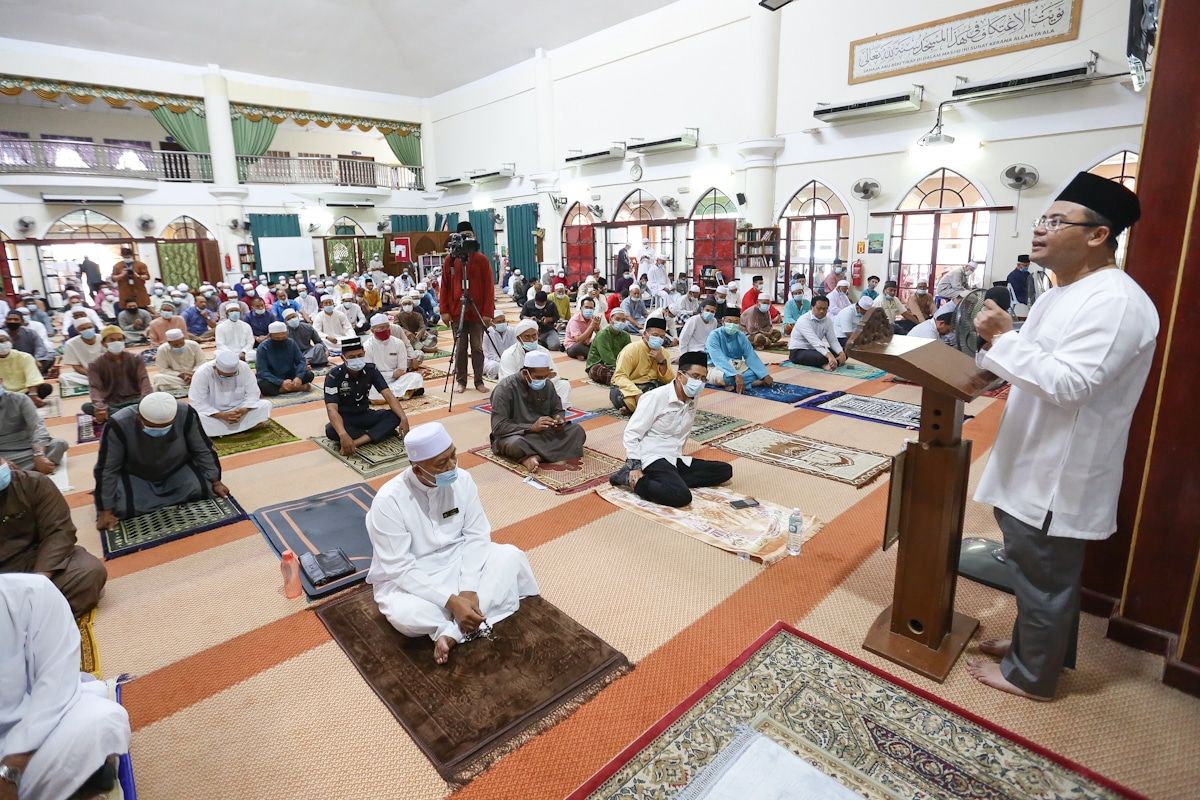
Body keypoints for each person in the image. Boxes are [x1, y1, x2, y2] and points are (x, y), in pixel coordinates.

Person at [967, 172, 1157, 701]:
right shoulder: (1061, 294)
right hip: (1032, 452)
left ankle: (1034, 676)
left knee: (1044, 574)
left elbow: (1071, 385)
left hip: (1059, 468)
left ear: (1098, 235)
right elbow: (1034, 366)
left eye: (1055, 221)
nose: (1040, 230)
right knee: (1034, 570)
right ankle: (1037, 649)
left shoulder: (1116, 301)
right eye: (1041, 220)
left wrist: (1005, 338)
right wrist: (998, 347)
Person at [364, 422, 539, 664]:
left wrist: (468, 589)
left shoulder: (463, 480)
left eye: (453, 455)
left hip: (459, 560)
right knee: (406, 614)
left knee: (511, 557)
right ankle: (467, 617)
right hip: (415, 575)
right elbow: (399, 568)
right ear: (417, 470)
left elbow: (477, 535)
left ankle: (453, 632)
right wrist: (451, 601)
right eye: (441, 463)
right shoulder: (388, 501)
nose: (452, 465)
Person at [0, 574, 131, 799]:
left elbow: (55, 689)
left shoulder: (33, 593)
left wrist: (10, 770)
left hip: (33, 738)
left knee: (103, 720)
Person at [609, 351, 733, 507]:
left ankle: (667, 480)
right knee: (680, 496)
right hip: (652, 456)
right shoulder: (656, 397)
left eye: (703, 378)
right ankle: (630, 478)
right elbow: (632, 432)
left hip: (674, 456)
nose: (699, 382)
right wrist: (635, 466)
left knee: (724, 470)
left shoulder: (692, 398)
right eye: (695, 376)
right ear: (680, 375)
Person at [93, 392, 226, 529]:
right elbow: (107, 467)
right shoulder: (118, 423)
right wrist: (105, 511)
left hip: (176, 470)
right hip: (136, 475)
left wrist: (216, 481)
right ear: (139, 418)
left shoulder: (185, 413)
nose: (159, 431)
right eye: (152, 426)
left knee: (204, 488)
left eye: (165, 427)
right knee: (122, 507)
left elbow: (202, 448)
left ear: (173, 420)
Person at [489, 350, 586, 472]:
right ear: (525, 373)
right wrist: (531, 427)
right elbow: (498, 427)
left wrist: (558, 420)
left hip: (544, 433)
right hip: (519, 435)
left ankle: (534, 457)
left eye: (545, 376)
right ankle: (542, 454)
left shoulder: (547, 384)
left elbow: (557, 410)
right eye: (539, 377)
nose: (543, 380)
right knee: (515, 444)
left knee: (577, 431)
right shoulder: (504, 389)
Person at [323, 337, 411, 456]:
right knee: (331, 430)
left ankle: (357, 442)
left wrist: (404, 418)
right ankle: (377, 433)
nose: (357, 359)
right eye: (351, 357)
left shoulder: (371, 369)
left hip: (365, 414)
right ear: (343, 358)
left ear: (364, 353)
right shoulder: (334, 376)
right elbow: (331, 409)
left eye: (359, 355)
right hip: (346, 418)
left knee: (395, 416)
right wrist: (343, 434)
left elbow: (388, 395)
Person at [440, 222, 496, 392]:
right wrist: (444, 310)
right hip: (457, 312)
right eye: (462, 235)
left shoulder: (482, 260)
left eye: (468, 234)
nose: (466, 238)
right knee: (461, 348)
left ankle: (479, 381)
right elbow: (444, 287)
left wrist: (488, 313)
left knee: (477, 348)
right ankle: (461, 381)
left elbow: (489, 287)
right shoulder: (450, 260)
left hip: (477, 312)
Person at [188, 350, 272, 437]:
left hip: (239, 410)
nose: (229, 378)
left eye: (232, 375)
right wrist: (221, 415)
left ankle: (220, 432)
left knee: (265, 404)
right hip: (214, 413)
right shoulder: (202, 372)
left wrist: (244, 409)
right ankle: (248, 426)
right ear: (215, 368)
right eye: (225, 375)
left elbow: (253, 393)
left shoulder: (243, 367)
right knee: (195, 417)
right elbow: (197, 401)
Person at [81, 327, 150, 422]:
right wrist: (99, 406)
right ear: (103, 343)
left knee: (157, 396)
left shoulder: (136, 359)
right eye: (112, 340)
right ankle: (133, 415)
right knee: (87, 407)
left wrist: (146, 399)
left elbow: (144, 379)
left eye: (120, 339)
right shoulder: (95, 364)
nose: (117, 342)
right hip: (111, 403)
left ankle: (121, 417)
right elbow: (94, 387)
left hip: (136, 400)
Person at [610, 317, 674, 414]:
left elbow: (668, 380)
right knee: (620, 396)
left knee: (671, 391)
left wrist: (662, 362)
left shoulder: (663, 352)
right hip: (630, 386)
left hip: (651, 386)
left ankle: (637, 410)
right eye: (655, 335)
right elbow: (619, 376)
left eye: (662, 337)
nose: (659, 339)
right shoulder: (631, 350)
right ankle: (643, 408)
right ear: (644, 334)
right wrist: (636, 393)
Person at [500, 320, 571, 407]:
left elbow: (554, 375)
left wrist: (540, 383)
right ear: (519, 338)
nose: (532, 340)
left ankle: (553, 409)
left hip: (541, 387)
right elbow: (509, 381)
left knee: (563, 385)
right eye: (527, 337)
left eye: (534, 336)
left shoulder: (543, 351)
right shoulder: (510, 354)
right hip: (520, 390)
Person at [0, 388, 66, 474]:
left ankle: (13, 474)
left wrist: (39, 454)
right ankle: (25, 472)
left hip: (28, 447)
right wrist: (2, 461)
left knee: (60, 444)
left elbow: (38, 427)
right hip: (2, 453)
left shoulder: (20, 399)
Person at [705, 310, 773, 393]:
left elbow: (750, 355)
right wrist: (734, 374)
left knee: (758, 372)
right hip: (715, 366)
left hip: (737, 365)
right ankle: (745, 382)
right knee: (727, 378)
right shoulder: (714, 335)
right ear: (723, 322)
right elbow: (718, 359)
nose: (732, 325)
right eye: (729, 321)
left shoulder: (741, 336)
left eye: (736, 322)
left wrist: (764, 374)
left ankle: (736, 383)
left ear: (739, 323)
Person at [365, 314, 424, 400]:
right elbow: (370, 373)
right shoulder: (367, 346)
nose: (385, 330)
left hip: (396, 380)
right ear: (372, 330)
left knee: (416, 377)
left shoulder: (398, 343)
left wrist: (395, 375)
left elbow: (402, 369)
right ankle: (400, 394)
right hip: (377, 382)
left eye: (387, 327)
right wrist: (392, 374)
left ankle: (387, 396)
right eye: (381, 328)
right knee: (368, 387)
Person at [255, 322, 314, 397]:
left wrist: (298, 377)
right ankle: (297, 388)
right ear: (270, 336)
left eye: (283, 337)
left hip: (290, 376)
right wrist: (281, 382)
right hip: (273, 377)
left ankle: (282, 390)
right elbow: (262, 371)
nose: (281, 340)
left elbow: (301, 361)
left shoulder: (291, 343)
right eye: (277, 338)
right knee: (263, 385)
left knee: (309, 374)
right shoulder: (263, 347)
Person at [788, 296, 846, 370]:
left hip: (815, 350)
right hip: (799, 351)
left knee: (843, 352)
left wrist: (841, 353)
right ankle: (827, 364)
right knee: (822, 357)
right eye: (819, 308)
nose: (822, 311)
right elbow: (815, 342)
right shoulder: (803, 320)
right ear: (812, 307)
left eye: (825, 309)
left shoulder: (827, 321)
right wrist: (830, 356)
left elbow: (833, 340)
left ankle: (831, 363)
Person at [0, 331, 51, 406]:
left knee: (46, 388)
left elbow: (32, 377)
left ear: (10, 342)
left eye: (3, 341)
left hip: (25, 391)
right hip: (4, 394)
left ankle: (21, 403)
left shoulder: (24, 357)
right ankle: (22, 404)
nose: (1, 345)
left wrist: (33, 395)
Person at [584, 309, 632, 386]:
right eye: (617, 319)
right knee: (599, 371)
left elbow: (629, 354)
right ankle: (625, 381)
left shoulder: (625, 335)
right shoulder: (602, 335)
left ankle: (624, 380)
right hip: (600, 364)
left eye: (623, 320)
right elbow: (607, 358)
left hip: (618, 366)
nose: (620, 322)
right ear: (610, 320)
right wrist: (622, 370)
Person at [59, 317, 104, 391]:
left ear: (94, 327)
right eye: (83, 329)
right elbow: (76, 367)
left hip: (106, 371)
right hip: (86, 373)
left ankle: (100, 382)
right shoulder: (70, 344)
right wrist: (92, 375)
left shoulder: (102, 338)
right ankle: (100, 382)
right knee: (63, 377)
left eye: (90, 327)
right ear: (77, 331)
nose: (87, 330)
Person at [482, 311, 516, 379]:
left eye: (503, 321)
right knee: (493, 366)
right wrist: (502, 361)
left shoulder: (512, 331)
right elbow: (489, 354)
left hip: (510, 360)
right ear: (492, 323)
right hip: (494, 361)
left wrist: (508, 360)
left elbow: (514, 348)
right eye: (499, 322)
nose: (502, 323)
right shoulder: (487, 333)